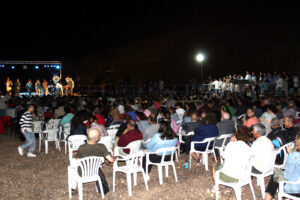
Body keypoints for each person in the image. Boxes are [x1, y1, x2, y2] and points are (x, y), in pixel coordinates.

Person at [75, 127, 116, 195]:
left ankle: (73, 188)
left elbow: (77, 159)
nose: (100, 136)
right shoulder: (101, 147)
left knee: (72, 167)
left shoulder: (81, 147)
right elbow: (111, 160)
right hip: (95, 171)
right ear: (96, 138)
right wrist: (115, 158)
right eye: (99, 135)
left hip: (82, 172)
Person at [212, 126, 252, 191]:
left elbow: (223, 156)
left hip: (231, 177)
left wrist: (230, 143)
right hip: (243, 176)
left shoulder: (231, 145)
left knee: (215, 166)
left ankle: (216, 187)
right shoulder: (248, 148)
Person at [265, 132, 300, 200]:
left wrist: (291, 155)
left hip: (296, 191)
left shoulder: (294, 156)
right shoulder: (294, 155)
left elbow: (287, 176)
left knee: (276, 176)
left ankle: (267, 198)